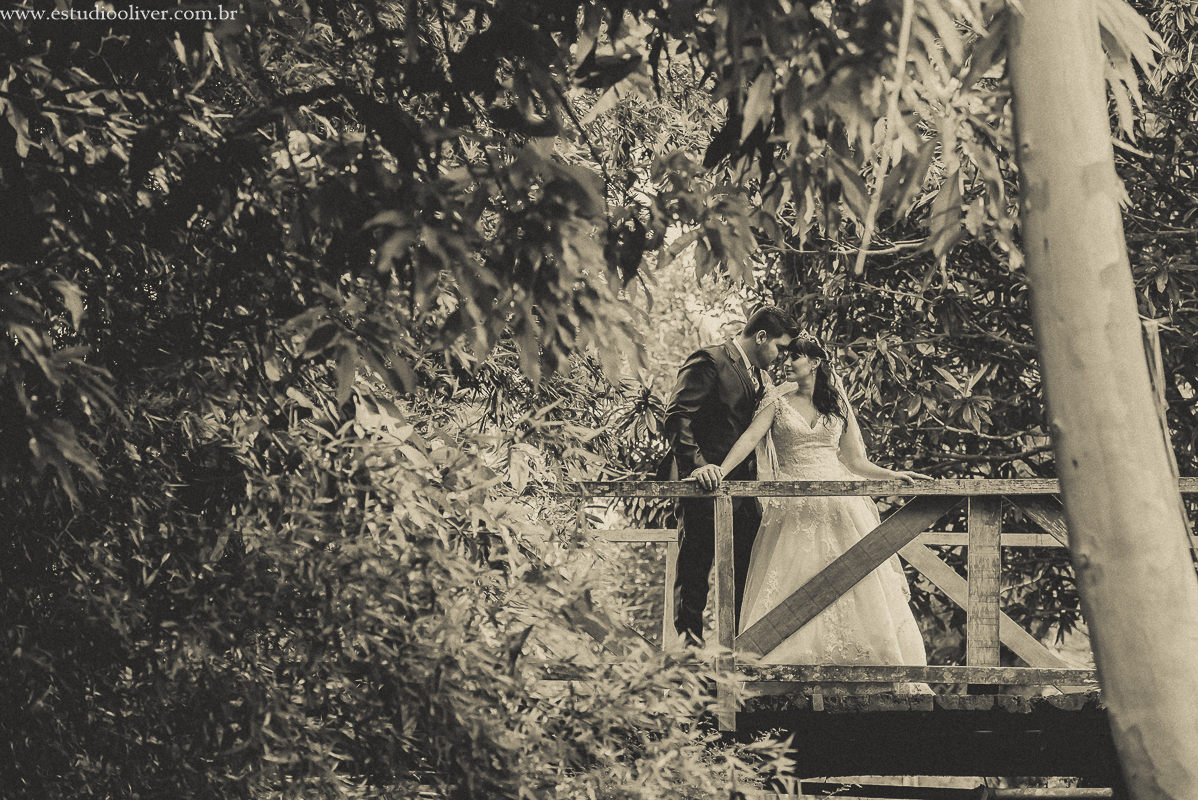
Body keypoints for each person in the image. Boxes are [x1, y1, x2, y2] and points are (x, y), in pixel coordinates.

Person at [710, 334, 933, 684]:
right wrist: (719, 473)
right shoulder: (776, 399)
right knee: (797, 581)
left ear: (813, 363)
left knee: (855, 580)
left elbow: (855, 461)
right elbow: (750, 439)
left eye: (794, 357)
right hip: (795, 506)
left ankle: (872, 666)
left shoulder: (836, 403)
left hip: (841, 503)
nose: (786, 362)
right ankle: (788, 666)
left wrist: (893, 474)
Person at [659, 306, 798, 646]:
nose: (780, 356)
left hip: (745, 497)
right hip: (705, 489)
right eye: (779, 347)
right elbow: (678, 416)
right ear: (761, 337)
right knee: (694, 572)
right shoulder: (710, 360)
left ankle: (733, 659)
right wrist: (697, 466)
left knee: (743, 579)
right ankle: (689, 662)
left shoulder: (761, 379)